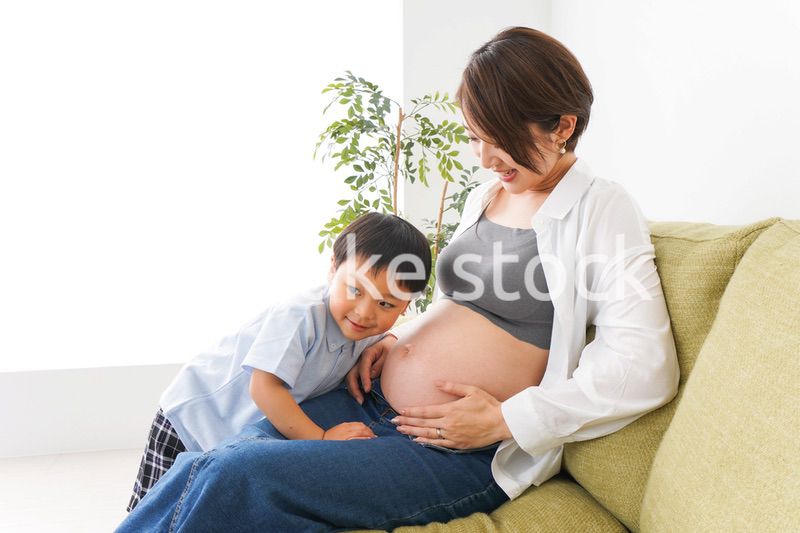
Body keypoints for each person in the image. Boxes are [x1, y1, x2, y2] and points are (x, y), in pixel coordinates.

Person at [116, 26, 679, 532]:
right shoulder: (492, 194)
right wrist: (392, 338)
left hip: (452, 448)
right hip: (365, 398)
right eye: (474, 137)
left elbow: (644, 364)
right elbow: (463, 306)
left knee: (238, 476)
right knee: (209, 462)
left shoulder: (602, 208)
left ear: (563, 126)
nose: (483, 158)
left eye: (498, 138)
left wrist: (509, 418)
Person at [126, 211, 432, 512]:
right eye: (355, 289)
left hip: (233, 437)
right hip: (192, 417)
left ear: (405, 305)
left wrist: (386, 345)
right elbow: (264, 387)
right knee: (154, 512)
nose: (365, 312)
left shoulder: (369, 331)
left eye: (384, 303)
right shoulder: (301, 316)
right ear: (333, 268)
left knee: (198, 511)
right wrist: (322, 437)